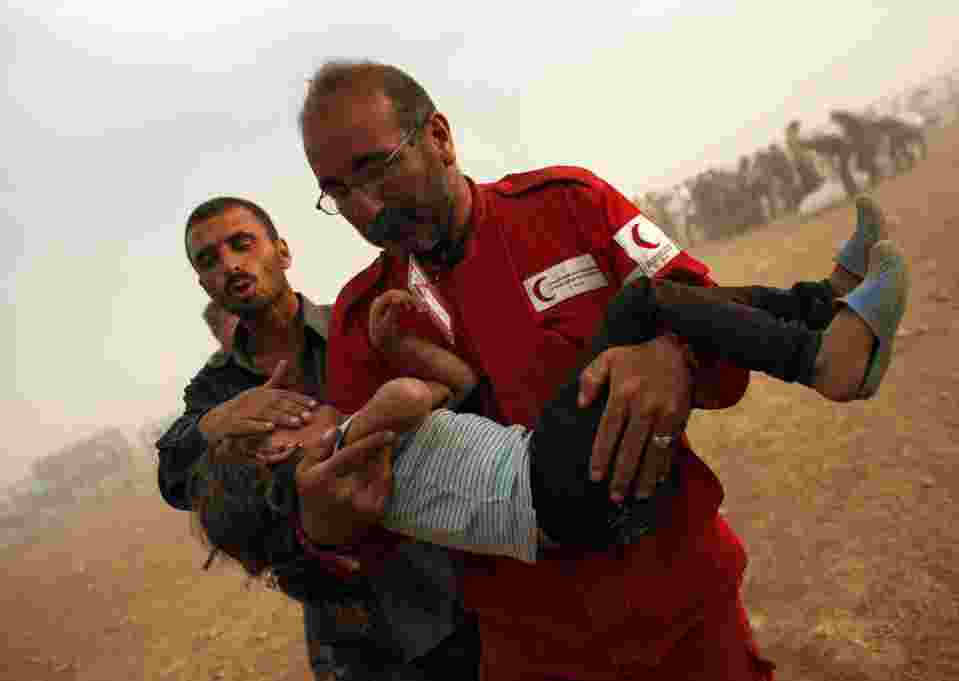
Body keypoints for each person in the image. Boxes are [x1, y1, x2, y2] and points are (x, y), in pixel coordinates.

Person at [289, 60, 908, 680]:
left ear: (440, 137)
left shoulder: (569, 206)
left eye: (376, 168)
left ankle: (823, 308)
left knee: (667, 307)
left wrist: (675, 358)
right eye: (337, 190)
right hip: (534, 651)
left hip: (688, 611)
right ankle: (820, 313)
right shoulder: (361, 322)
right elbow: (379, 521)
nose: (364, 208)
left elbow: (720, 348)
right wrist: (325, 521)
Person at [193, 222, 909, 570]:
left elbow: (455, 388)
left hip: (556, 491)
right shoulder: (346, 450)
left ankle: (819, 306)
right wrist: (383, 386)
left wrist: (404, 346)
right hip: (549, 491)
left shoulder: (356, 443)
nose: (299, 407)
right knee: (640, 307)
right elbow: (411, 397)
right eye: (277, 425)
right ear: (278, 459)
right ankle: (820, 356)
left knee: (649, 306)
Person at [155, 197, 480, 681]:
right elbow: (174, 480)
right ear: (204, 285)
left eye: (241, 244)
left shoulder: (358, 327)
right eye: (209, 260)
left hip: (449, 597)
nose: (229, 265)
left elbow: (463, 397)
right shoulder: (215, 389)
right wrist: (217, 423)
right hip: (349, 634)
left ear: (282, 252)